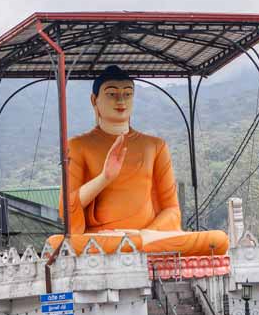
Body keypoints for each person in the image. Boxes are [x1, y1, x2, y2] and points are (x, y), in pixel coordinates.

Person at [47, 65, 229, 256]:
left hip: (150, 236)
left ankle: (138, 243)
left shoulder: (154, 146)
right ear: (94, 101)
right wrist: (104, 178)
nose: (121, 100)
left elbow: (172, 210)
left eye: (127, 94)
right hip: (105, 239)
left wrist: (145, 234)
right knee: (57, 243)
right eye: (111, 94)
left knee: (218, 240)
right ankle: (136, 244)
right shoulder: (78, 146)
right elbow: (67, 208)